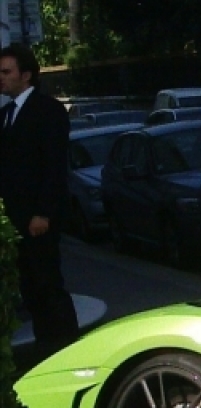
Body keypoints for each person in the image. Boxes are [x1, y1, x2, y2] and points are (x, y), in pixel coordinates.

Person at [0, 43, 79, 361]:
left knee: (48, 284)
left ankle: (67, 346)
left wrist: (43, 213)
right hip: (15, 221)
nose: (1, 79)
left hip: (37, 221)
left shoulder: (47, 110)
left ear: (27, 74)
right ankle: (48, 347)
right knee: (30, 289)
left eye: (6, 72)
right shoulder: (6, 115)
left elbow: (54, 166)